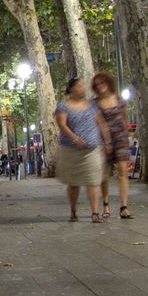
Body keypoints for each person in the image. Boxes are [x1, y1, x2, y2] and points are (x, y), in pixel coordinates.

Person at [54, 77, 111, 224]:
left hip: (92, 148)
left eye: (83, 86)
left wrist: (108, 141)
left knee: (93, 181)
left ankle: (95, 213)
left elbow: (102, 123)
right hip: (71, 149)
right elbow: (62, 124)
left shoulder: (92, 106)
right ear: (71, 89)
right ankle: (73, 210)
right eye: (79, 86)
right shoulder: (63, 106)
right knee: (73, 183)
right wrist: (75, 138)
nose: (82, 88)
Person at [91, 72, 134, 220]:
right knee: (104, 174)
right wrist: (106, 141)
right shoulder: (94, 104)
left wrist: (128, 135)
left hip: (121, 139)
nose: (100, 86)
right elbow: (98, 123)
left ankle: (124, 207)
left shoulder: (119, 99)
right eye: (97, 85)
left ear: (108, 83)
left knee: (122, 171)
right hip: (102, 141)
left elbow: (124, 118)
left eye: (102, 83)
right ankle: (106, 204)